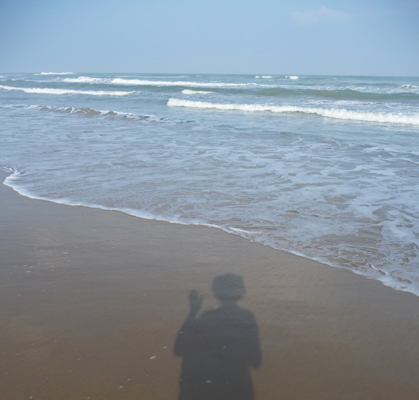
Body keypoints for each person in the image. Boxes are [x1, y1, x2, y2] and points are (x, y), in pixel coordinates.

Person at [174, 274, 261, 400]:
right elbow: (256, 360)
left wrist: (193, 311)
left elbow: (179, 348)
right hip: (237, 385)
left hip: (204, 385)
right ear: (241, 292)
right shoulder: (247, 317)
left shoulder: (207, 317)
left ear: (215, 293)